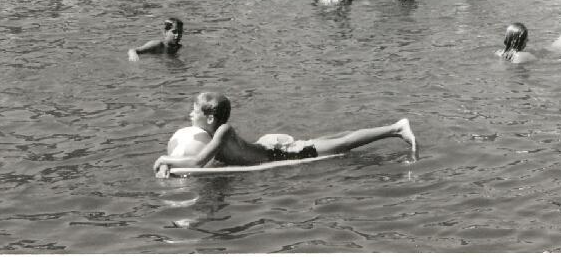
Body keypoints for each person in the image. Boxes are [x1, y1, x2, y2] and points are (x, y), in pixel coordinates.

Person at [152, 91, 415, 174]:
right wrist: (170, 167)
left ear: (209, 117)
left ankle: (395, 128)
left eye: (193, 110)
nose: (189, 114)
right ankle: (391, 128)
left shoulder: (222, 131)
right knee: (333, 138)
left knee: (342, 143)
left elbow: (196, 162)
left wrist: (165, 160)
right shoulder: (210, 136)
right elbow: (197, 163)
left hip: (279, 153)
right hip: (264, 147)